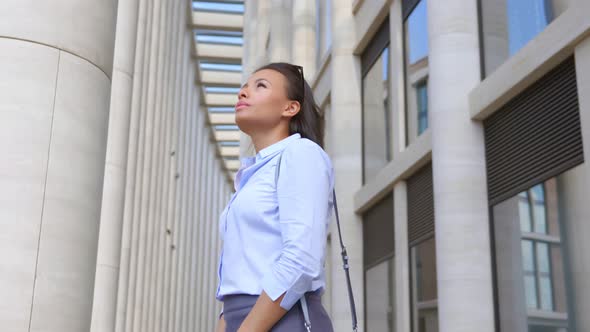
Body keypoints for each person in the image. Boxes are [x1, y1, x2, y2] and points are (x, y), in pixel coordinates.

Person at [214, 62, 335, 332]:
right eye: (244, 86)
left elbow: (301, 260)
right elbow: (238, 275)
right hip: (246, 318)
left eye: (260, 86)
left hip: (284, 320)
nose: (243, 93)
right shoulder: (251, 175)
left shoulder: (301, 154)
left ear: (290, 108)